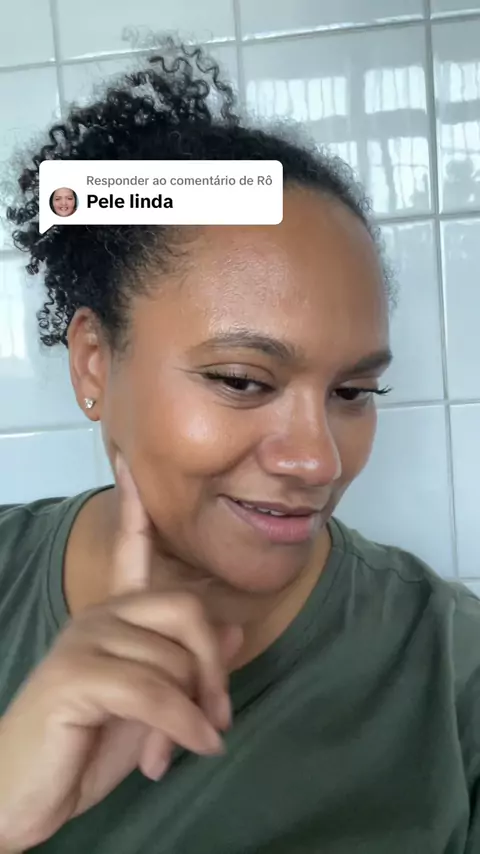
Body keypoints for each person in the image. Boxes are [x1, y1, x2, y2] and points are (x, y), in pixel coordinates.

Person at [1, 41, 479, 854]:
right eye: (242, 380)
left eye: (353, 393)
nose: (319, 462)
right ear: (94, 363)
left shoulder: (451, 673)